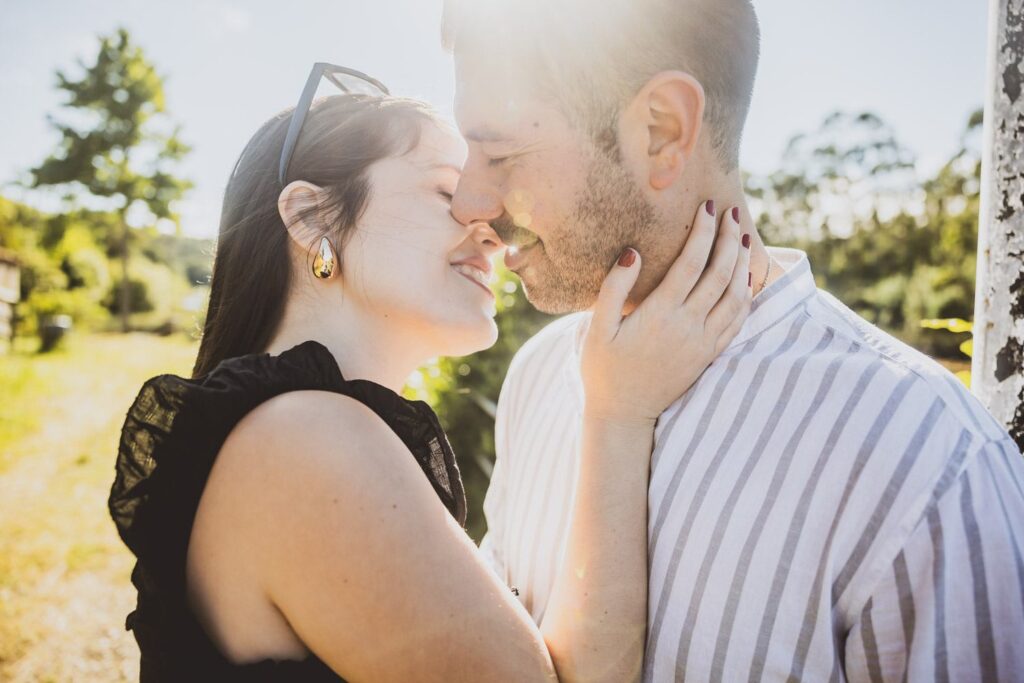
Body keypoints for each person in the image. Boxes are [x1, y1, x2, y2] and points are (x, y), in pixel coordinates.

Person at [108, 68, 753, 681]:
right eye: (449, 192)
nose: (493, 227)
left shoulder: (289, 427)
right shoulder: (305, 439)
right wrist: (619, 413)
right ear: (311, 218)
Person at [442, 0, 1024, 680]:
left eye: (500, 152)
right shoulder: (537, 375)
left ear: (663, 131)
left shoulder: (927, 460)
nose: (466, 201)